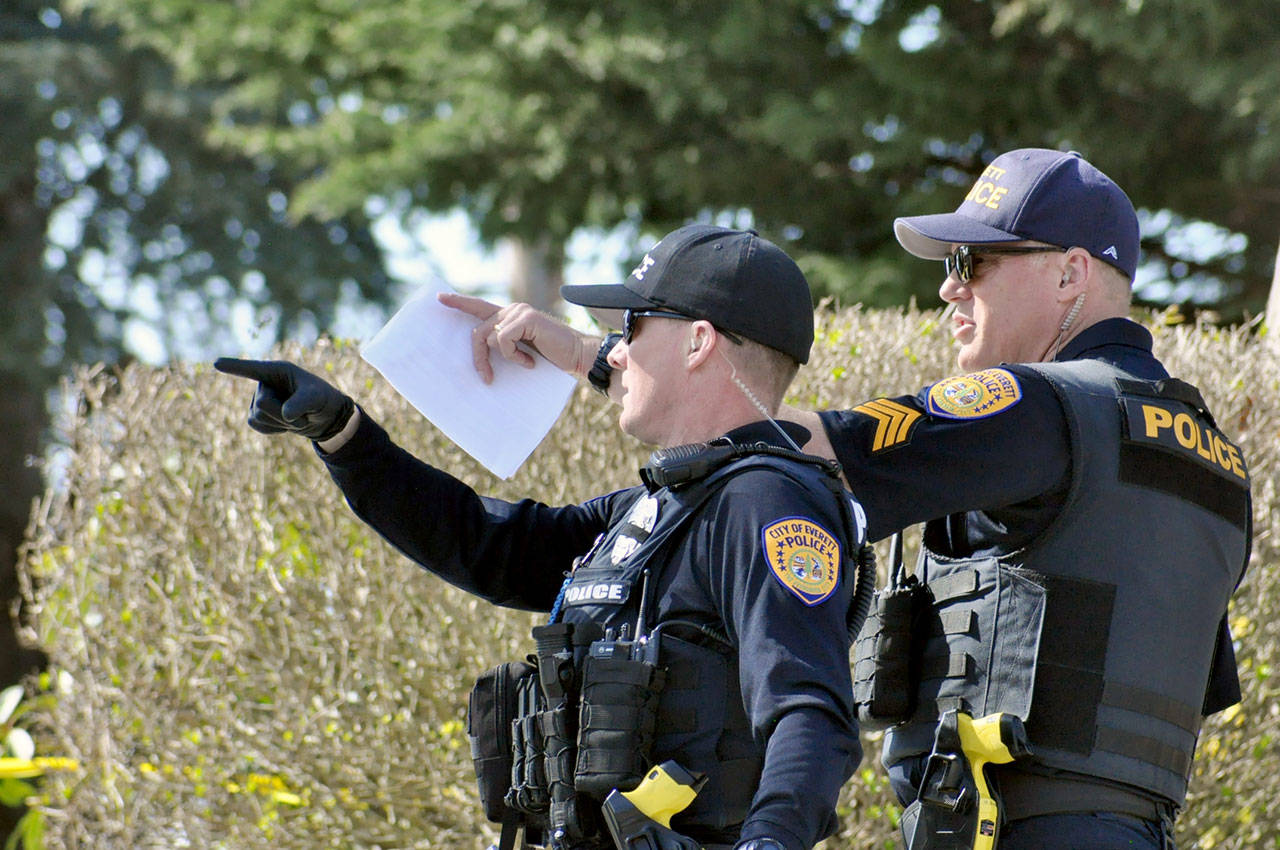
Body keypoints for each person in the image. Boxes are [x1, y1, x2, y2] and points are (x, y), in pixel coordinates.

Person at [448, 149, 1252, 850]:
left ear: (1070, 273)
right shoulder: (1214, 458)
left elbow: (767, 432)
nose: (949, 291)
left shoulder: (1034, 405)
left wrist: (602, 358)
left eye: (972, 264)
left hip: (1018, 827)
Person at [216, 224, 873, 850]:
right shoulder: (663, 506)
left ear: (699, 343)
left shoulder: (764, 501)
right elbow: (492, 546)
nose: (615, 350)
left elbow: (809, 711)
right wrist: (345, 435)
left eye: (632, 327)